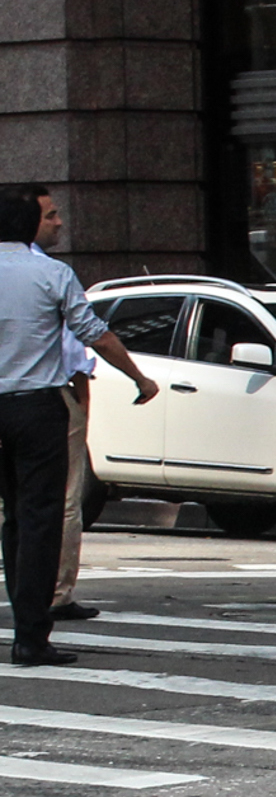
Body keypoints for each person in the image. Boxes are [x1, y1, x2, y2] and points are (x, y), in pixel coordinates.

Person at [0, 183, 156, 666]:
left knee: (12, 516)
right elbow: (95, 334)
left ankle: (23, 618)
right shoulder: (51, 273)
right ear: (29, 227)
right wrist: (139, 376)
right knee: (40, 518)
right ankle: (30, 633)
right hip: (37, 407)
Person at [38, 203, 100, 623]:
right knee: (62, 501)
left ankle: (30, 591)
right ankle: (55, 593)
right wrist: (139, 377)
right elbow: (81, 345)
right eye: (51, 214)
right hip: (46, 399)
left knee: (17, 506)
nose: (60, 221)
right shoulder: (52, 275)